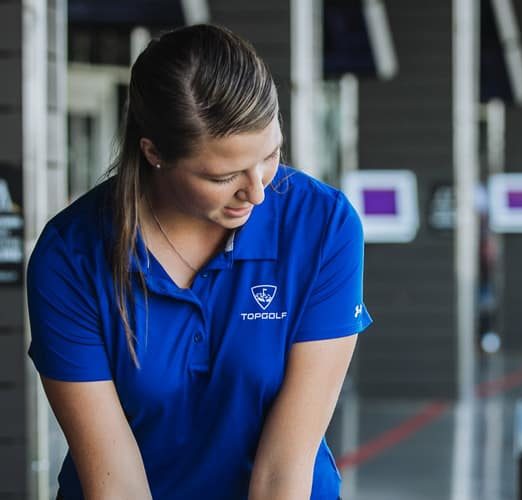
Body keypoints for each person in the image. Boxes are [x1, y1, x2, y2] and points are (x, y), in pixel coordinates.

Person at [26, 25, 372, 499]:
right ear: (154, 153)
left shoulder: (322, 227)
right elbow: (115, 481)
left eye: (270, 155)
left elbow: (284, 469)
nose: (257, 191)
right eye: (223, 175)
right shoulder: (71, 255)